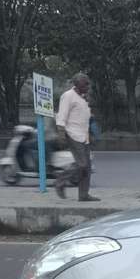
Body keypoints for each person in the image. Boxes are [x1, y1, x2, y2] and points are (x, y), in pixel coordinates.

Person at [54, 73, 98, 201]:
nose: (88, 86)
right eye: (85, 84)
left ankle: (83, 195)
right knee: (82, 164)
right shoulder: (68, 96)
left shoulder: (83, 98)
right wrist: (61, 134)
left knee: (87, 167)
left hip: (84, 136)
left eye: (88, 83)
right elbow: (61, 116)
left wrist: (90, 134)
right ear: (77, 84)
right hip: (72, 134)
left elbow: (85, 117)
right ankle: (60, 181)